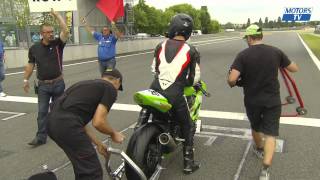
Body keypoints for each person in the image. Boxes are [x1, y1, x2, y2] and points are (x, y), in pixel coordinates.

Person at [227, 24, 299, 180]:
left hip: (252, 100)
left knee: (255, 126)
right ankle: (265, 170)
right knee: (271, 133)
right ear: (261, 36)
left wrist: (233, 80)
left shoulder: (243, 55)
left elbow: (232, 79)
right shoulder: (276, 51)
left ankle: (259, 147)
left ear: (249, 38)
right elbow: (294, 68)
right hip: (272, 100)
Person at [47, 68, 125, 180]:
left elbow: (78, 121)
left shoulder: (85, 84)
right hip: (67, 126)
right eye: (118, 88)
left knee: (82, 167)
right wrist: (113, 134)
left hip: (52, 123)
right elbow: (98, 122)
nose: (116, 91)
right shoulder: (110, 88)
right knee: (92, 172)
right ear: (117, 81)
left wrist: (98, 143)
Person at [148, 13, 201, 174]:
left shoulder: (160, 45)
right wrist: (184, 82)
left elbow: (154, 69)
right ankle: (188, 163)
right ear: (188, 31)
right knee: (188, 124)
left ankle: (139, 133)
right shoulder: (192, 50)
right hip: (175, 93)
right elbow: (194, 78)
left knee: (147, 114)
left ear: (172, 27)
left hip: (154, 88)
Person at [23, 9, 69, 146]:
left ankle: (61, 134)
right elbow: (31, 64)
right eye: (47, 32)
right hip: (43, 85)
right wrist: (25, 79)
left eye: (51, 32)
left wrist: (57, 16)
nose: (51, 34)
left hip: (58, 83)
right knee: (42, 112)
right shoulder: (34, 49)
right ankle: (41, 137)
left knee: (58, 111)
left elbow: (65, 31)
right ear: (41, 34)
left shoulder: (58, 44)